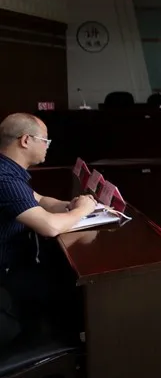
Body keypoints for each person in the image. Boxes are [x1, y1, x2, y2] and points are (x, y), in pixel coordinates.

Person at [0, 113, 97, 345]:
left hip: (14, 266)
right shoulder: (4, 178)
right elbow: (49, 227)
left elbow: (40, 199)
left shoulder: (9, 170)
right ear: (25, 140)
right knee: (74, 289)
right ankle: (69, 349)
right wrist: (82, 211)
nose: (47, 146)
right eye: (45, 140)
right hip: (6, 275)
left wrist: (70, 205)